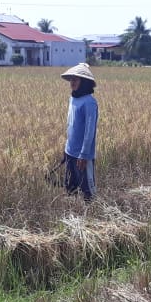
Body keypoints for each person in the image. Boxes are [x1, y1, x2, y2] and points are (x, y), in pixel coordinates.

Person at [60, 62, 99, 201]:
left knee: (87, 190)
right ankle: (73, 214)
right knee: (70, 187)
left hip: (83, 155)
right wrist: (66, 149)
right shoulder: (73, 99)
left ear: (85, 82)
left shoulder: (89, 102)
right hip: (70, 151)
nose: (72, 82)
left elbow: (90, 131)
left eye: (75, 79)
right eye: (71, 79)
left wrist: (83, 154)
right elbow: (70, 125)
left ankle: (91, 216)